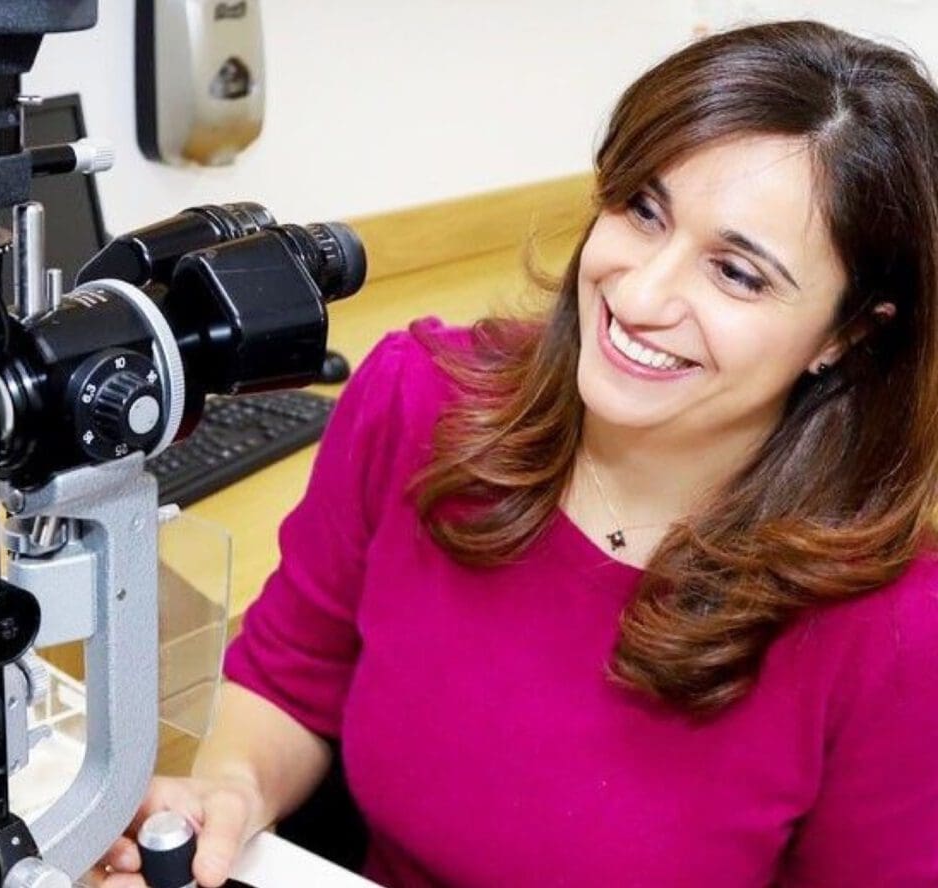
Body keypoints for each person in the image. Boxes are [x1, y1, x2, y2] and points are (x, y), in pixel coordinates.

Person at [97, 20, 938, 887]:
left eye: (737, 274)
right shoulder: (418, 402)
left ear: (844, 336)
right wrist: (233, 789)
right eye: (643, 211)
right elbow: (290, 678)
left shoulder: (895, 631)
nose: (640, 293)